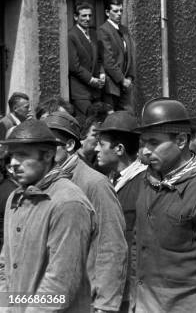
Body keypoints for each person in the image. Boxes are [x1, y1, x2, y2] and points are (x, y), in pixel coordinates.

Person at [132, 98, 196, 312]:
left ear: (181, 140)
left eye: (154, 143)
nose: (146, 151)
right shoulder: (147, 180)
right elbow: (138, 245)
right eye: (143, 143)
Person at [0, 119, 95, 312]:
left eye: (23, 155)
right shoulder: (15, 198)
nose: (14, 163)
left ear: (48, 155)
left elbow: (61, 280)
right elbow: (5, 265)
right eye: (11, 156)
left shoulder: (68, 202)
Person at [43, 111, 128, 313]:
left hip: (83, 301)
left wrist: (105, 305)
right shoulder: (41, 183)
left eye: (49, 144)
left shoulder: (95, 183)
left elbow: (111, 245)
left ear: (70, 145)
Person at [94, 111, 147, 313]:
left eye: (102, 144)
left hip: (130, 292)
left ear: (119, 148)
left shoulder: (142, 184)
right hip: (111, 286)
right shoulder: (110, 180)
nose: (96, 149)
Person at [68, 2, 105, 120]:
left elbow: (98, 58)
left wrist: (102, 73)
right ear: (75, 17)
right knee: (85, 123)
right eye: (84, 16)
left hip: (96, 91)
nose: (87, 19)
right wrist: (91, 79)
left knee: (98, 122)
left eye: (89, 15)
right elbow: (74, 66)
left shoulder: (94, 34)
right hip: (81, 92)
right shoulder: (71, 36)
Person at [98, 0, 136, 111]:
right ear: (107, 12)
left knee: (127, 118)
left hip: (126, 85)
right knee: (112, 118)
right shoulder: (103, 30)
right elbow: (108, 60)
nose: (119, 14)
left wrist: (130, 77)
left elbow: (130, 55)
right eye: (115, 11)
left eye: (121, 11)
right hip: (112, 86)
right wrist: (122, 79)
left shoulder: (124, 30)